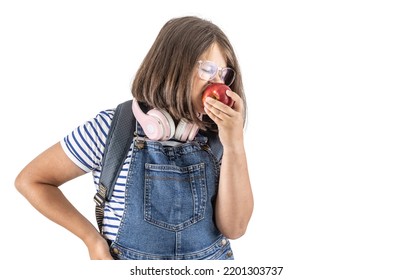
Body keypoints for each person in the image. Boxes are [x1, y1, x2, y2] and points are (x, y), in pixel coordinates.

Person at [15, 16, 253, 260]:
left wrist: (234, 145)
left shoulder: (218, 139)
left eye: (224, 74)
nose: (218, 83)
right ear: (173, 67)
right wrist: (91, 240)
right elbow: (32, 180)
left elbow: (235, 228)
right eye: (208, 70)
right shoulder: (113, 130)